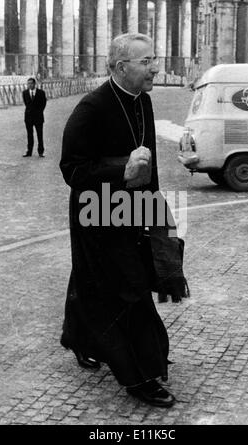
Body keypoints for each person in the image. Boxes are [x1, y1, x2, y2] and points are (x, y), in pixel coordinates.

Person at [59, 33, 189, 408]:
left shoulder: (142, 100)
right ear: (120, 67)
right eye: (147, 61)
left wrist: (155, 206)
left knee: (90, 279)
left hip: (132, 209)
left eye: (154, 59)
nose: (156, 67)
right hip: (97, 215)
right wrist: (121, 171)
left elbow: (148, 162)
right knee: (129, 287)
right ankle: (141, 376)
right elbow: (72, 169)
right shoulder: (91, 108)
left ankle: (79, 338)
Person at [22, 78, 47, 157]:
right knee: (29, 135)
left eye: (31, 83)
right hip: (28, 117)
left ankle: (41, 151)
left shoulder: (41, 93)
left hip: (38, 117)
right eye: (28, 83)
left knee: (40, 135)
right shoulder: (25, 93)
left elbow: (43, 103)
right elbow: (26, 104)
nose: (29, 85)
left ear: (34, 84)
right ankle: (29, 151)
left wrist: (39, 112)